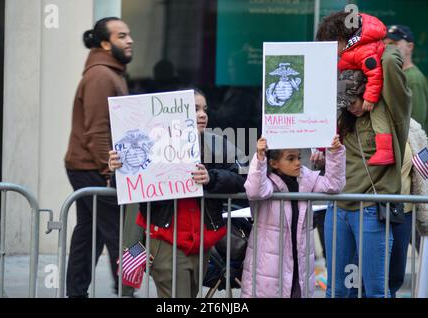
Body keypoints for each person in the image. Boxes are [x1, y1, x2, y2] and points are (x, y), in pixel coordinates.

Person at [108, 89, 246, 298]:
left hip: (201, 245)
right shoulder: (153, 145)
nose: (202, 114)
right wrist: (119, 167)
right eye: (195, 109)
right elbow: (128, 187)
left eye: (205, 109)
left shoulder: (215, 145)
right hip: (167, 243)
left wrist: (212, 178)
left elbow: (240, 177)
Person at [327, 42, 411, 298]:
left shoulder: (390, 114)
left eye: (354, 99)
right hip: (338, 207)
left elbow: (390, 59)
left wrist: (360, 43)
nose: (351, 105)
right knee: (336, 290)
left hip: (371, 209)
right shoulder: (344, 119)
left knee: (376, 290)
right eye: (346, 101)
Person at [64, 17, 133, 298]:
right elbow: (96, 130)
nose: (130, 40)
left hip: (89, 166)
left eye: (129, 35)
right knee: (120, 234)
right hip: (94, 168)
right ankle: (127, 291)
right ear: (105, 43)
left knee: (89, 234)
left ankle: (77, 292)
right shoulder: (101, 76)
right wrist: (109, 171)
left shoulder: (108, 73)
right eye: (122, 36)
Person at [240, 135, 346, 298]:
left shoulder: (307, 179)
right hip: (269, 269)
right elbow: (254, 190)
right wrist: (260, 157)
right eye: (290, 158)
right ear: (274, 163)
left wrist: (335, 152)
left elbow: (334, 185)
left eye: (298, 157)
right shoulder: (267, 182)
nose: (297, 162)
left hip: (300, 265)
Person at [317, 11, 395, 166]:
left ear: (339, 40)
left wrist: (370, 98)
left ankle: (385, 150)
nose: (349, 108)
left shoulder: (362, 51)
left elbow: (374, 73)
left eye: (351, 102)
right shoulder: (353, 51)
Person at [389, 118, 428, 297]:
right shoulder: (364, 120)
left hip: (404, 214)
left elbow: (423, 175)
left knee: (395, 275)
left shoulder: (414, 129)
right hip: (370, 211)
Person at [384, 25, 428, 134]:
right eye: (384, 44)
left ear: (410, 46)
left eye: (393, 44)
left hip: (410, 146)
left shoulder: (414, 78)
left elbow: (417, 125)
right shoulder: (393, 74)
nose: (387, 48)